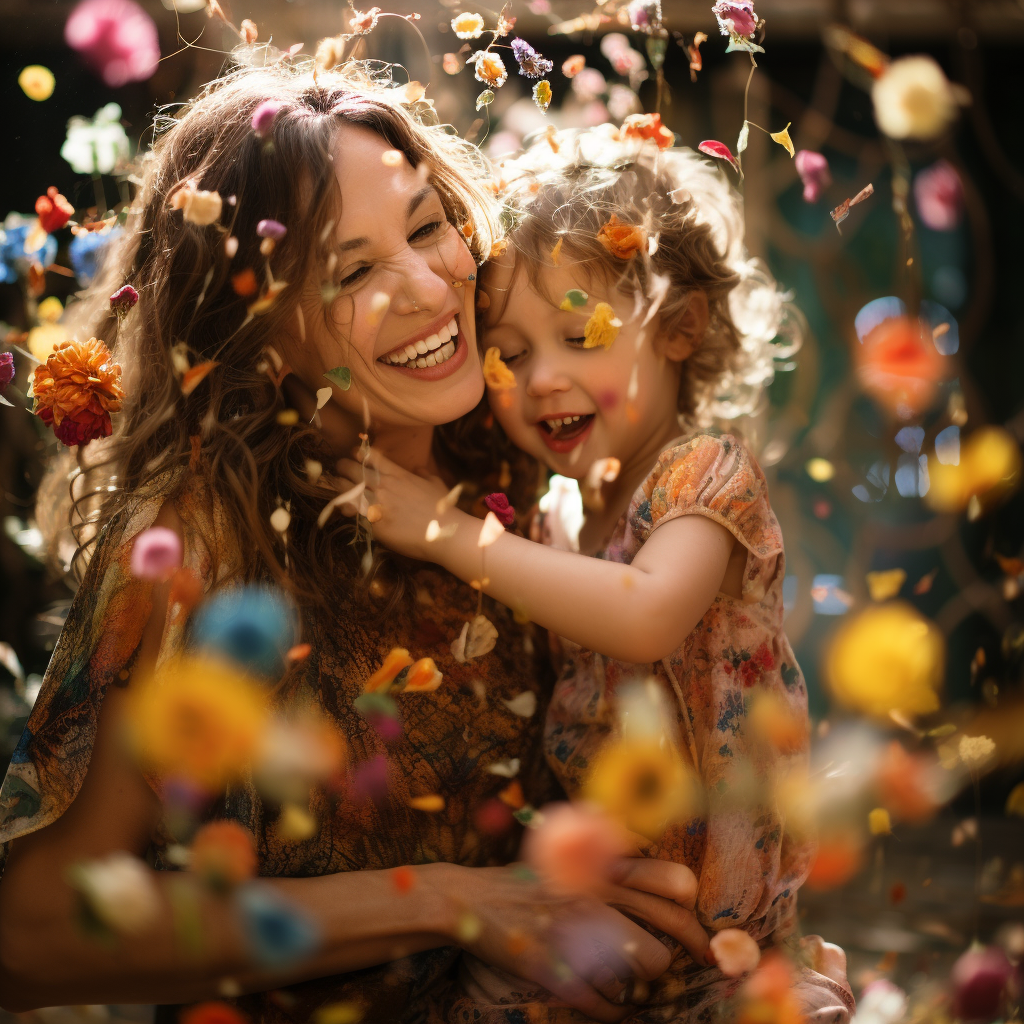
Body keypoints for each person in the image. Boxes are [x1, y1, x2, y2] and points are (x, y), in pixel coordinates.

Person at [0, 70, 714, 1023]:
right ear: (259, 334)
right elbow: (33, 935)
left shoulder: (517, 436)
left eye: (426, 230)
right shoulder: (197, 544)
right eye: (350, 271)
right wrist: (450, 900)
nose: (426, 288)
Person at [336, 125, 856, 1021]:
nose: (542, 381)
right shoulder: (557, 519)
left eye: (580, 335)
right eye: (511, 351)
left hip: (730, 930)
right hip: (611, 915)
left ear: (682, 330)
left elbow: (646, 614)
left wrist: (447, 532)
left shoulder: (704, 477)